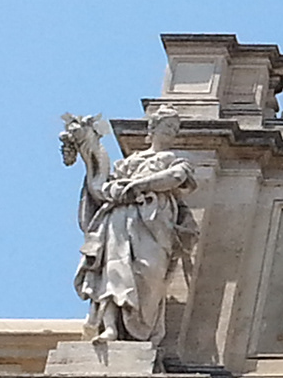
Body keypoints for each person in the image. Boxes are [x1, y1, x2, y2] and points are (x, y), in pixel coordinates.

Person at [68, 103, 198, 344]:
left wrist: (139, 185)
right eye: (167, 126)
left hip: (155, 223)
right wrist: (90, 153)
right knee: (114, 269)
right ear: (153, 128)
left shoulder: (176, 160)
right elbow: (102, 187)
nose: (171, 131)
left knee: (148, 274)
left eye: (175, 128)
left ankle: (142, 330)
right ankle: (110, 328)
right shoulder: (131, 162)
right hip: (121, 217)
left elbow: (176, 177)